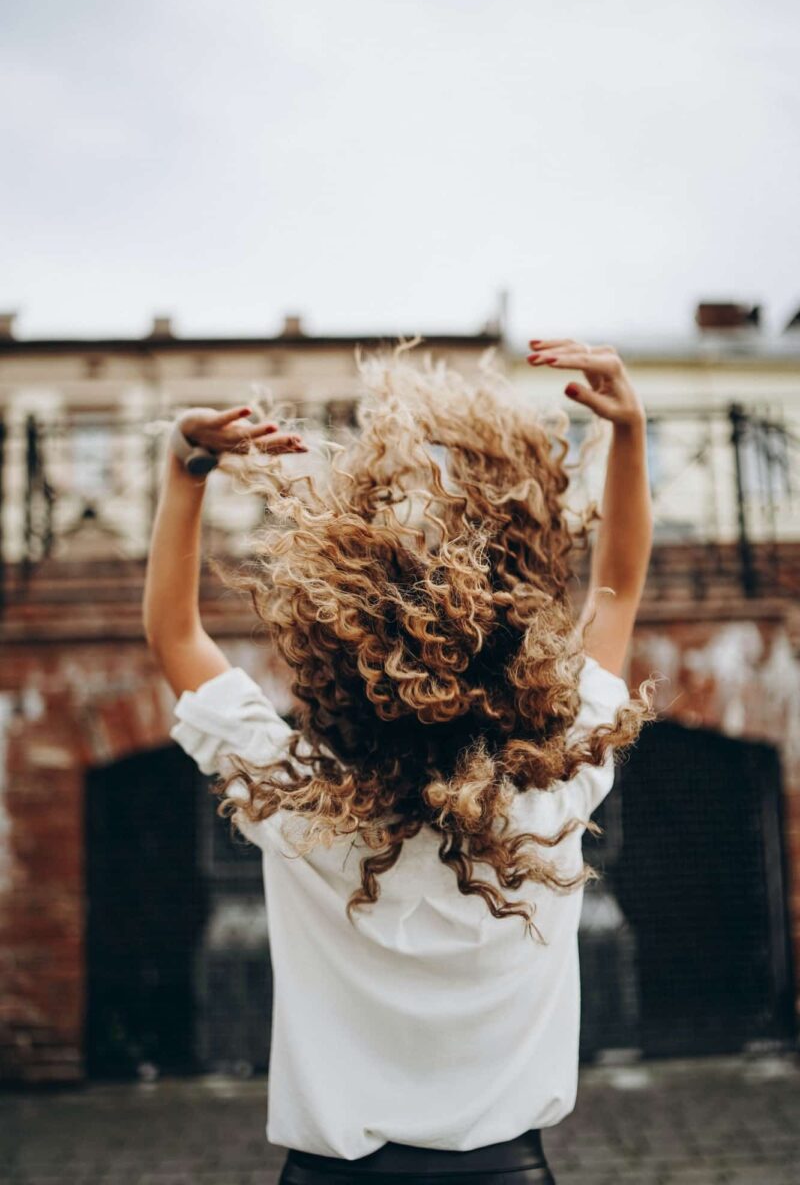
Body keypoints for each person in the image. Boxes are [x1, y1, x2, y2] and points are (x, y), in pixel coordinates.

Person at [143, 338, 655, 1185]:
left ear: (329, 659)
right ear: (517, 656)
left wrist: (185, 467)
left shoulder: (294, 796)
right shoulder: (556, 783)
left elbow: (174, 634)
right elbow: (622, 585)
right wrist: (629, 435)